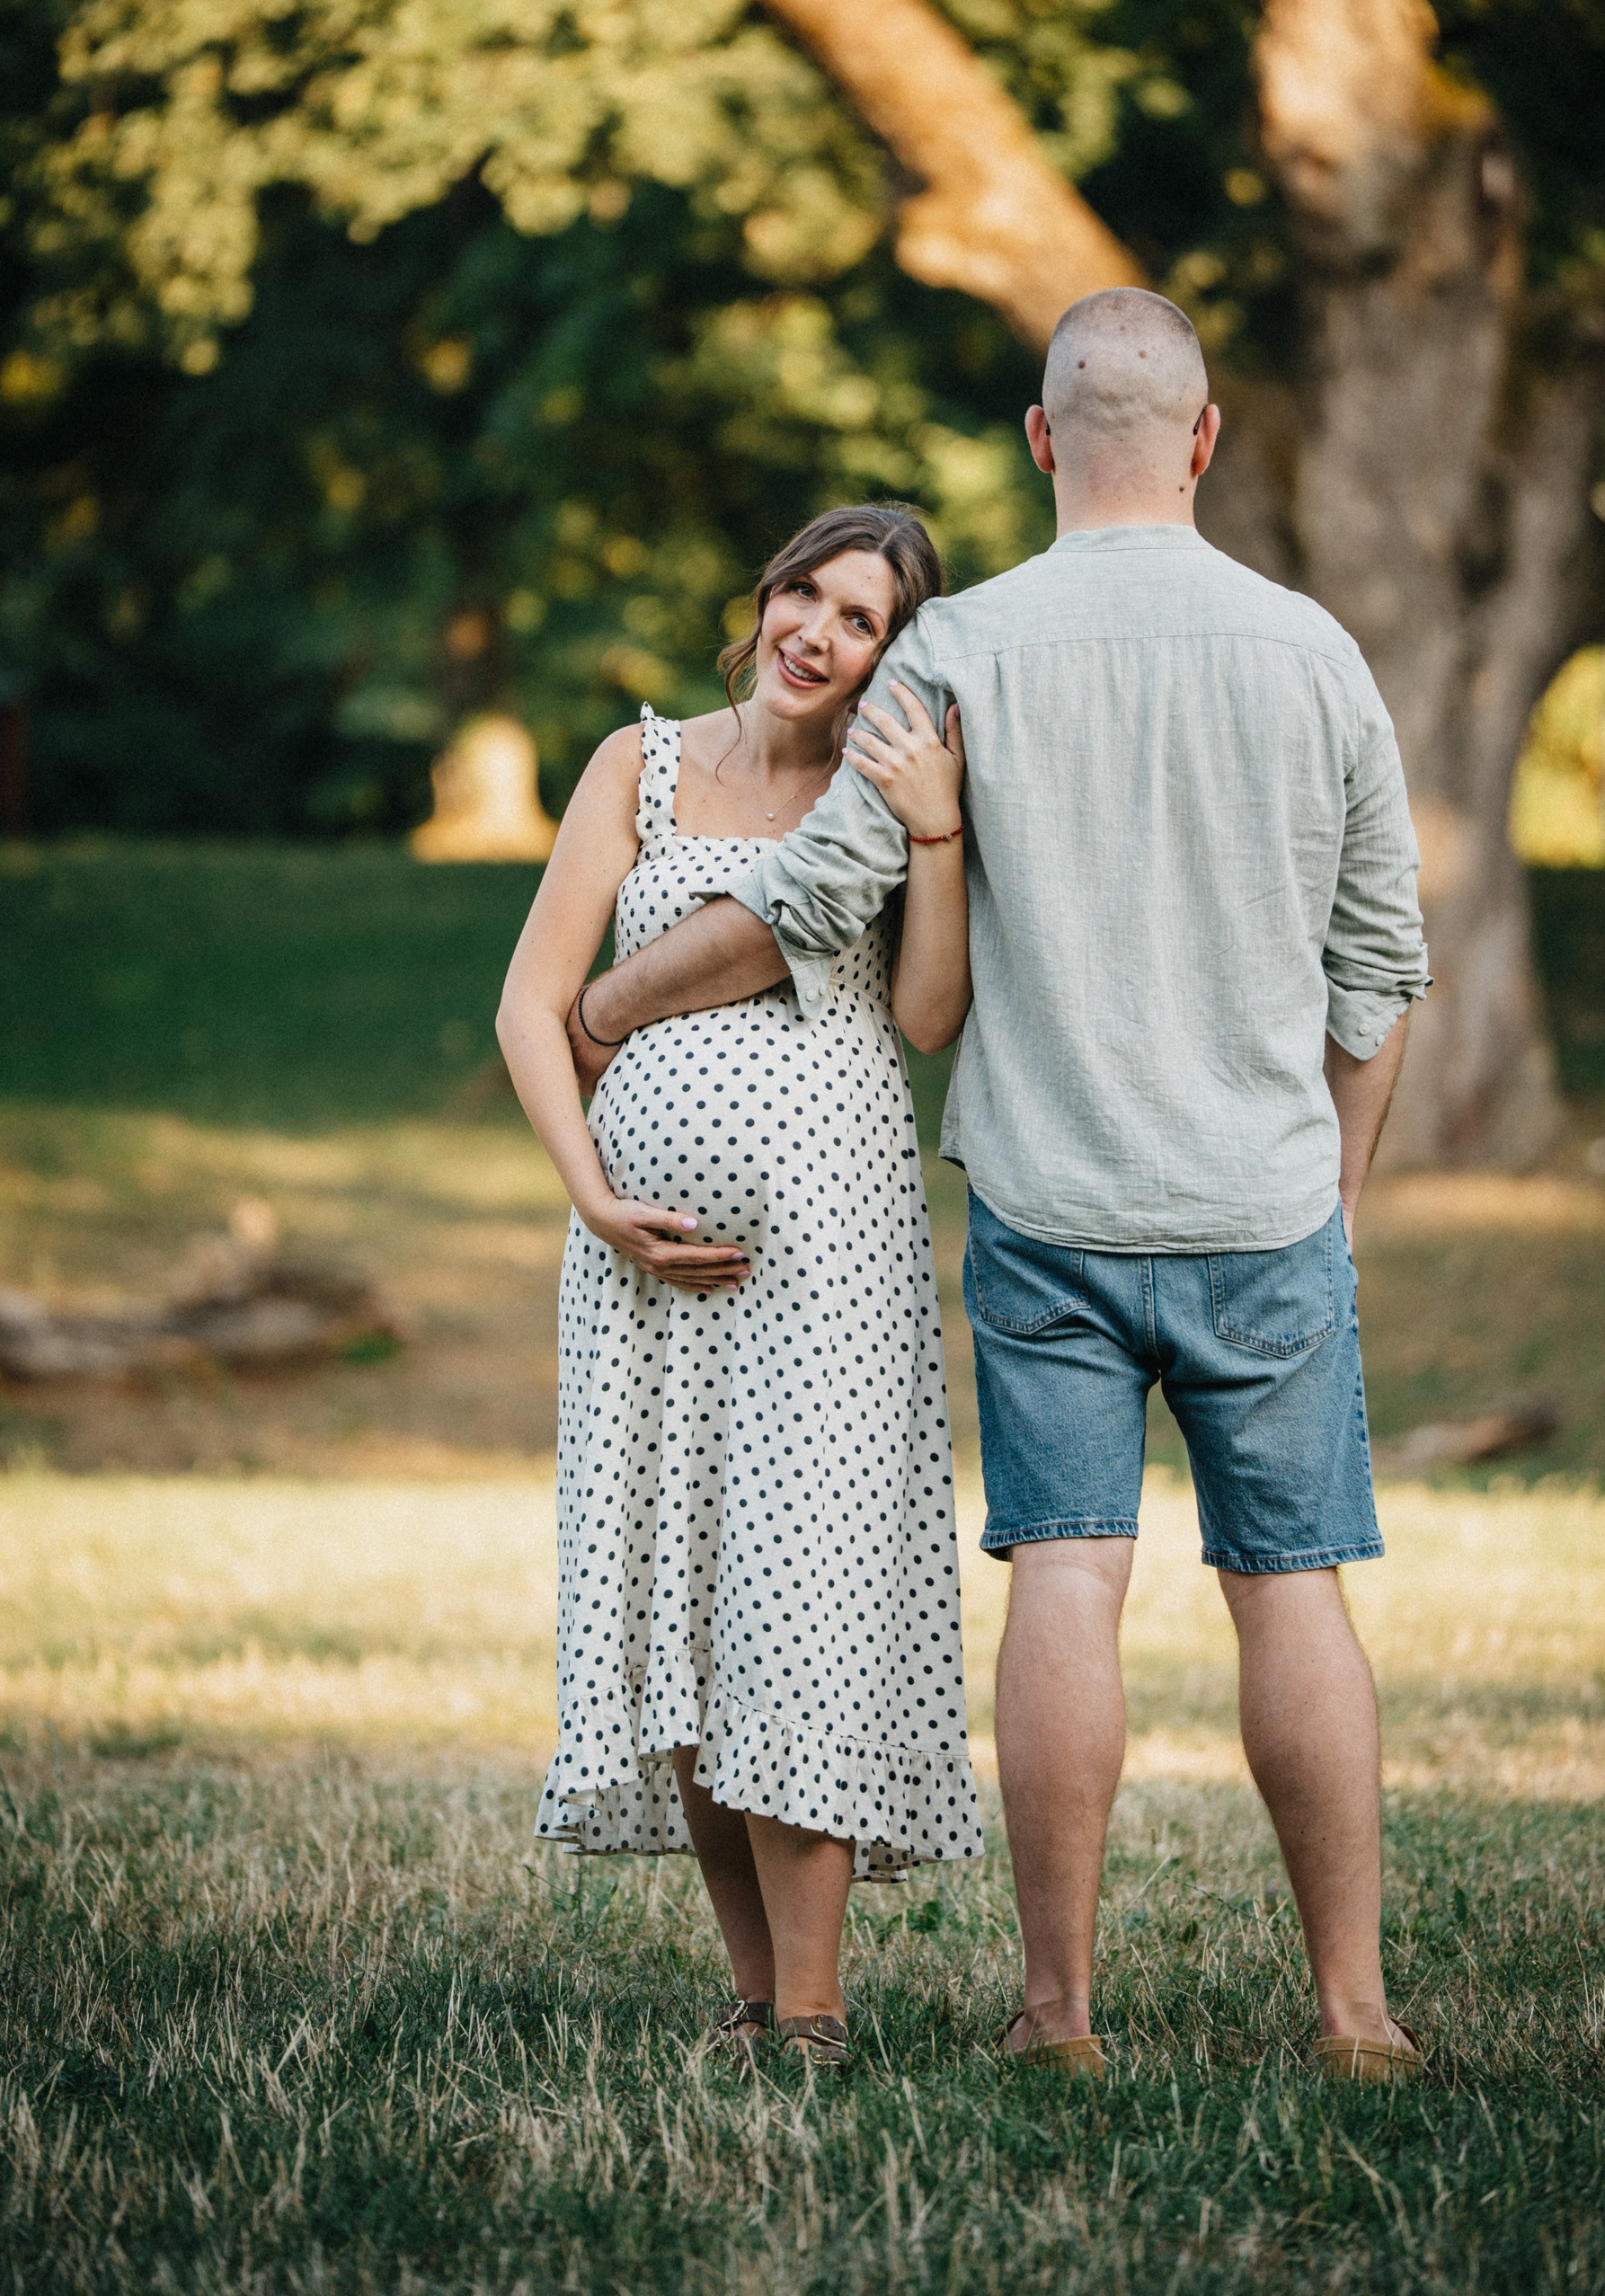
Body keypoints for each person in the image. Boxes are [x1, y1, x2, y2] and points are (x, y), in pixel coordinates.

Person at [566, 290, 1432, 2086]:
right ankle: (1354, 2013)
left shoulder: (957, 650)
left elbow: (811, 897)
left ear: (1044, 442)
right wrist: (1336, 1194)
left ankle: (1058, 2015)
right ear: (1201, 441)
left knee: (1069, 1578)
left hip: (1047, 1210)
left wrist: (616, 997)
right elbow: (1380, 969)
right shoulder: (1315, 652)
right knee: (1295, 1590)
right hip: (1264, 1207)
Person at [497, 505, 983, 2076]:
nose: (819, 634)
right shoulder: (635, 766)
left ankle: (823, 2015)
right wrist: (595, 1197)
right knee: (699, 1615)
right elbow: (531, 1006)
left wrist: (937, 833)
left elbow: (924, 1016)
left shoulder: (885, 792)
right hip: (641, 1284)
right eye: (807, 595)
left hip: (835, 1266)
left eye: (861, 621)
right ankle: (758, 2000)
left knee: (809, 1612)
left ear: (887, 659)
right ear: (765, 593)